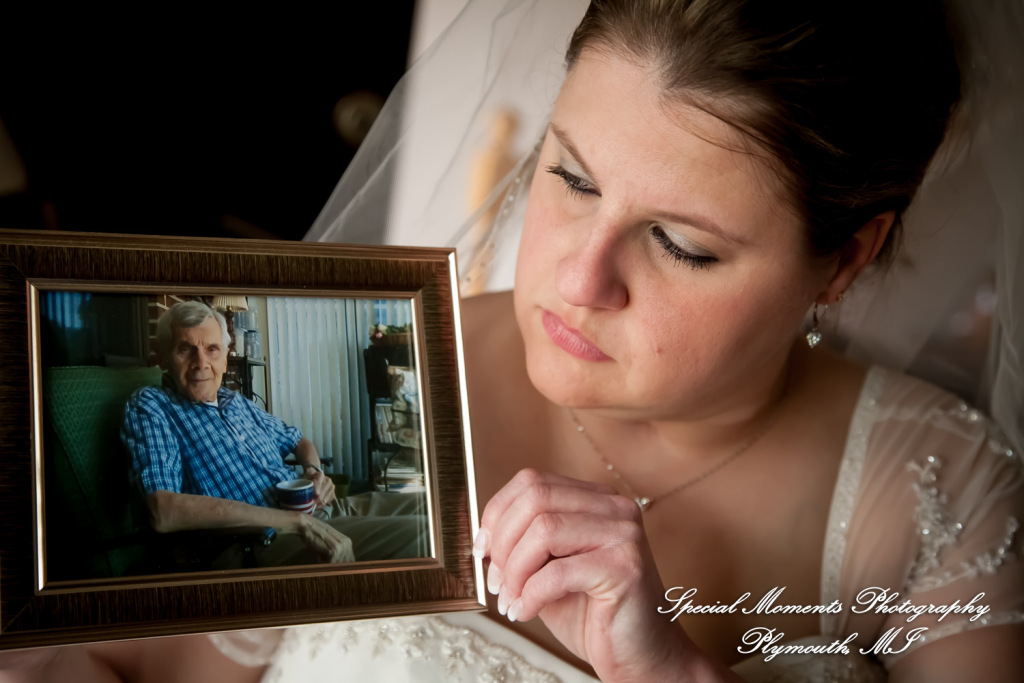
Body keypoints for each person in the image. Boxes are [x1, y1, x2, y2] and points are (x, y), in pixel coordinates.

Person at [4, 0, 1020, 680]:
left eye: (679, 244)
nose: (577, 282)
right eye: (571, 178)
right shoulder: (385, 357)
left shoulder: (941, 494)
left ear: (845, 257)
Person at [122, 301, 423, 565]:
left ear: (225, 359)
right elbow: (163, 511)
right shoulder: (152, 405)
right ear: (163, 358)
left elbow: (299, 440)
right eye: (185, 349)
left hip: (316, 512)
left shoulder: (235, 401)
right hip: (262, 542)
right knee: (421, 534)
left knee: (429, 506)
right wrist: (294, 522)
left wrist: (314, 471)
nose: (201, 362)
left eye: (212, 349)